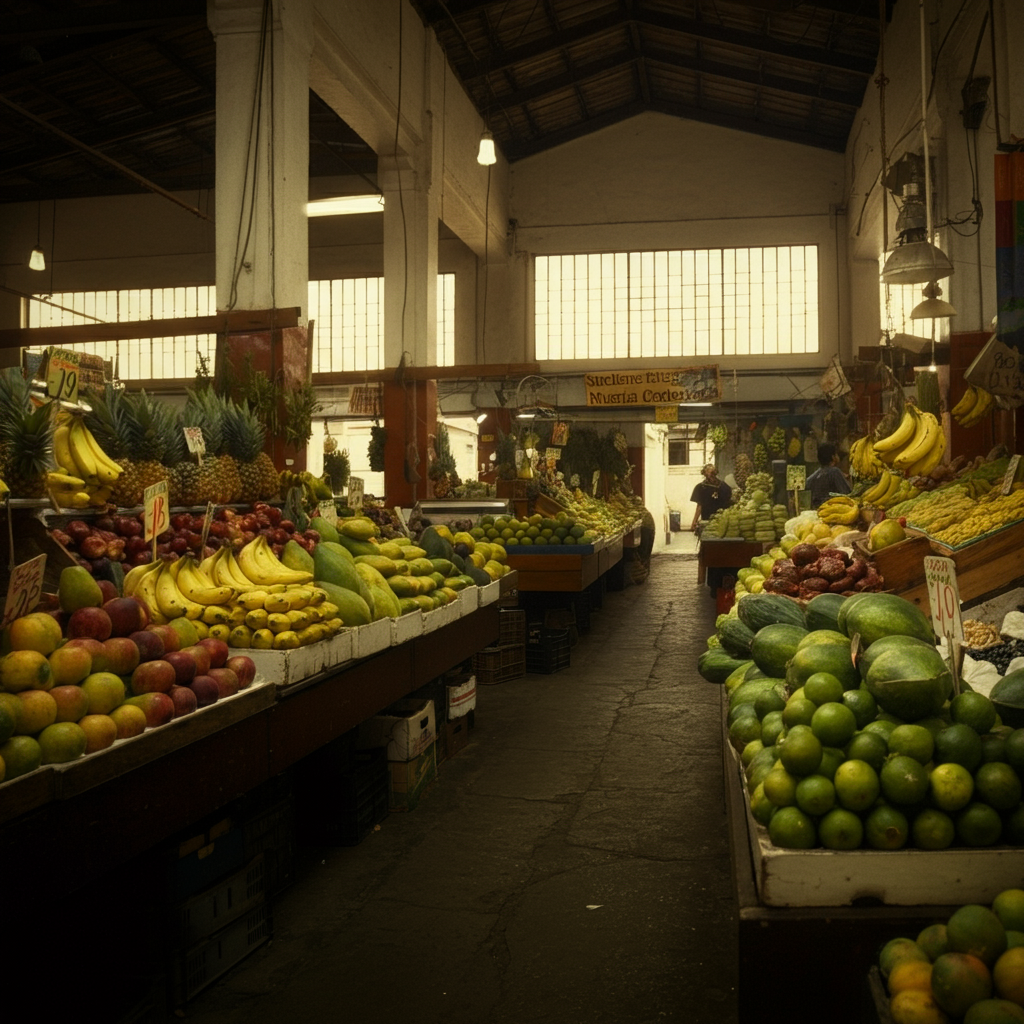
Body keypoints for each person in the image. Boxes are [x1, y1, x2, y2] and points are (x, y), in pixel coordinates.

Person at [806, 442, 851, 508]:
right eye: (836, 454)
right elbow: (847, 494)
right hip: (831, 510)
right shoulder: (835, 471)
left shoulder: (816, 474)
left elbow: (805, 485)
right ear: (833, 457)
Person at [690, 463, 733, 531]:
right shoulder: (700, 487)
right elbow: (699, 506)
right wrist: (694, 521)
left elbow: (729, 503)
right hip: (707, 522)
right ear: (704, 474)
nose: (710, 476)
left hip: (722, 521)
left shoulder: (724, 487)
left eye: (712, 473)